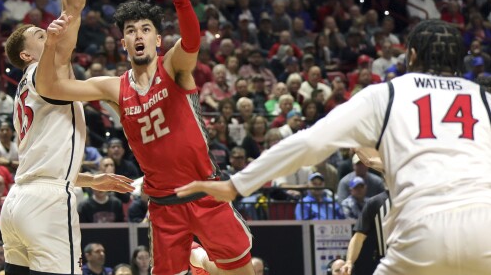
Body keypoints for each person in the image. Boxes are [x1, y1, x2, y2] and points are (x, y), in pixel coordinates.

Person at [177, 20, 491, 274]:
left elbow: (311, 142)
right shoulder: (485, 101)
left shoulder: (387, 94)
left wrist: (237, 184)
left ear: (410, 57)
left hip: (423, 231)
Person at [39, 0, 254, 273]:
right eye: (130, 30)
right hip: (164, 206)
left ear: (157, 40)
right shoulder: (115, 87)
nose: (138, 35)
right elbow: (51, 88)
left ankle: (200, 259)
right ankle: (199, 258)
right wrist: (50, 45)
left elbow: (192, 41)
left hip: (206, 192)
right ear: (123, 44)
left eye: (145, 29)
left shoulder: (174, 67)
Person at [0, 0, 133, 275]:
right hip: (46, 204)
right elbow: (73, 7)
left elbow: (43, 162)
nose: (49, 34)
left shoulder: (25, 88)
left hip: (18, 202)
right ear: (27, 54)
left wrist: (91, 179)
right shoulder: (48, 71)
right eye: (40, 36)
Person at [342, 190, 390, 275]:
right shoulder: (376, 202)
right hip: (386, 263)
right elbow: (358, 237)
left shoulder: (418, 201)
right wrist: (349, 261)